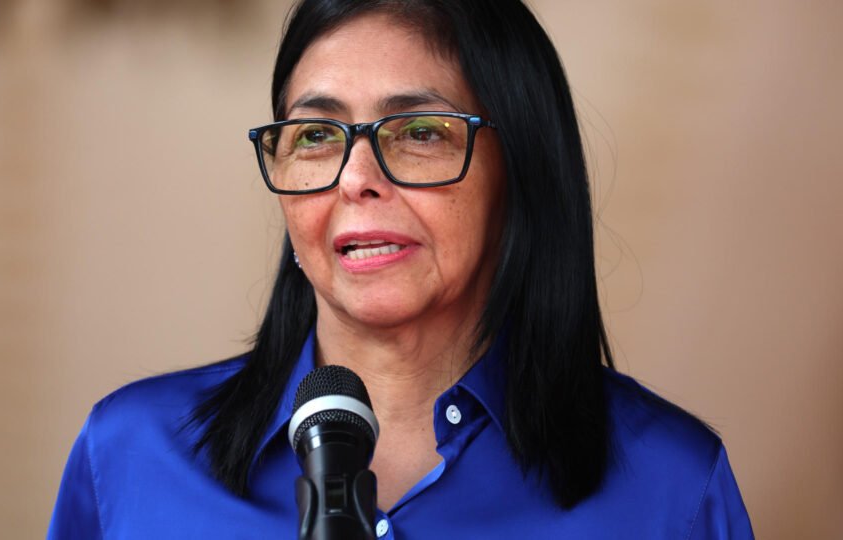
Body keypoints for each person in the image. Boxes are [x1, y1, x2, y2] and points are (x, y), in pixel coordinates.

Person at [48, 0, 754, 538]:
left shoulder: (671, 487)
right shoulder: (131, 456)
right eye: (316, 135)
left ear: (522, 171)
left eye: (418, 132)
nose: (356, 178)